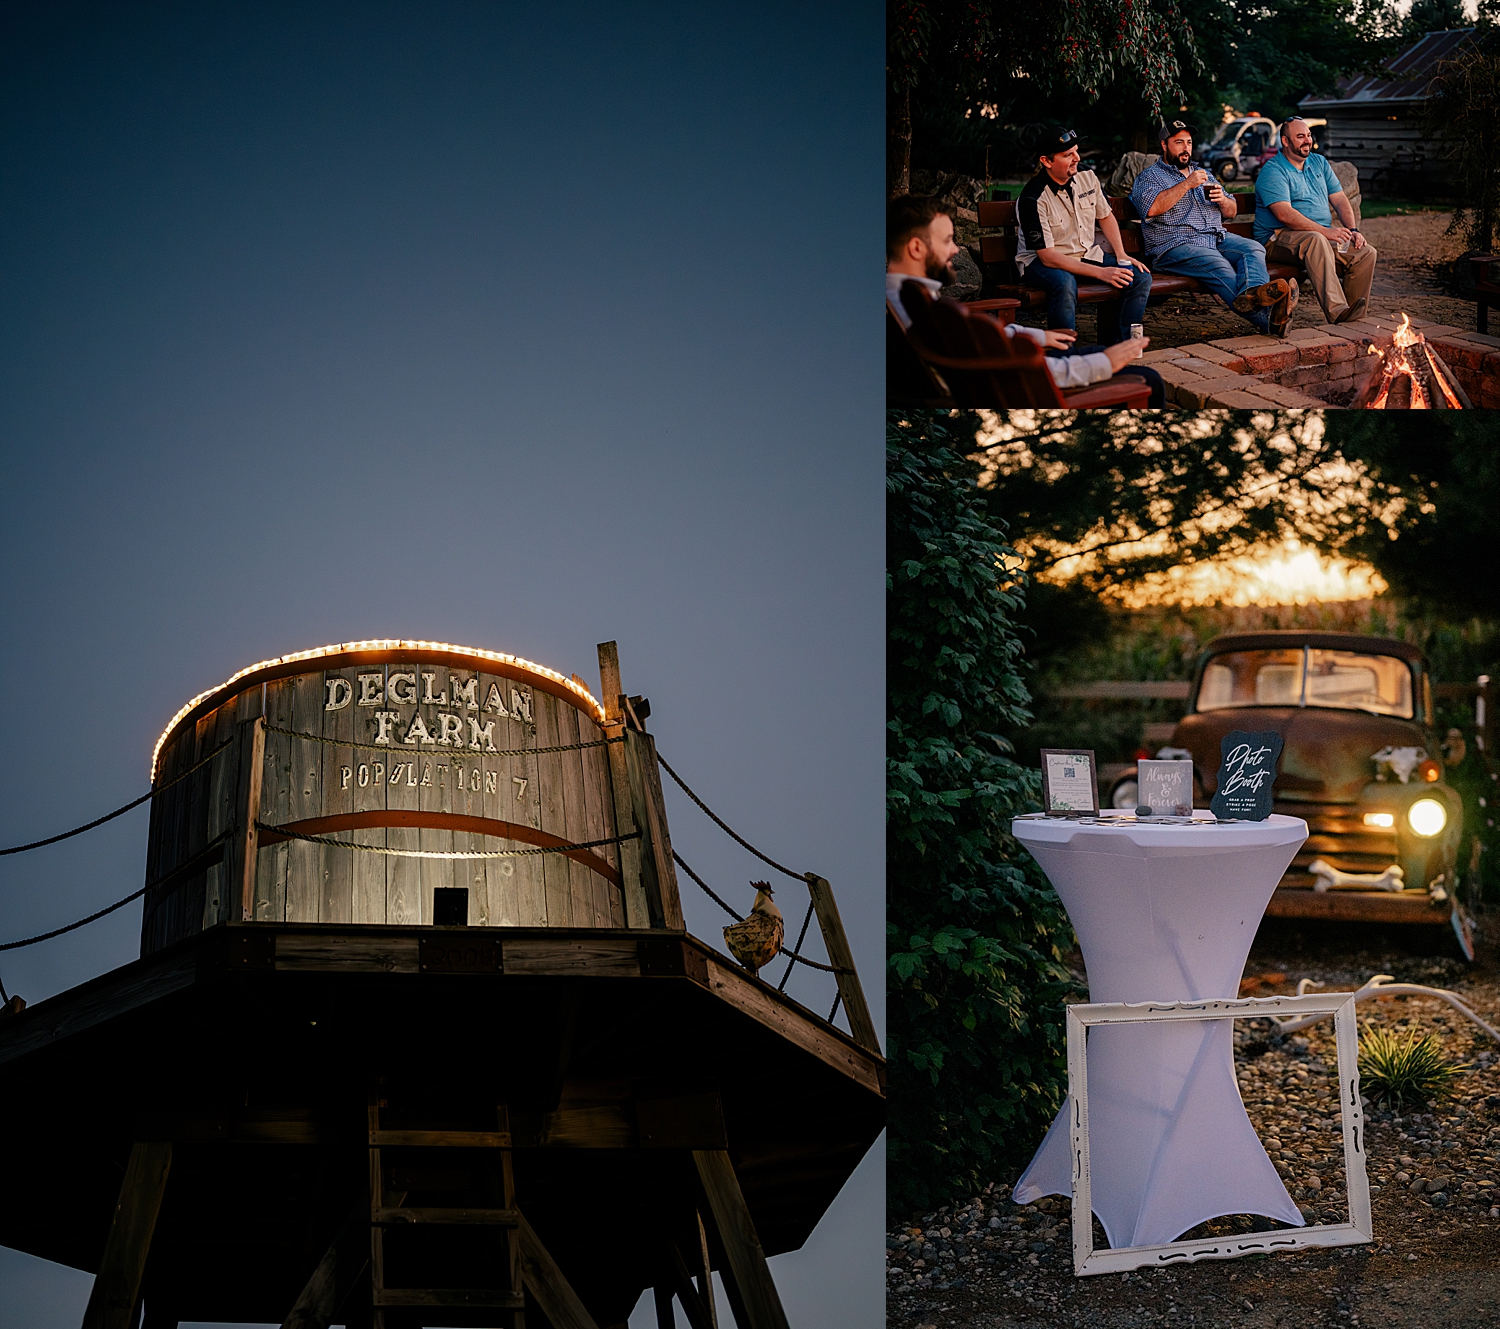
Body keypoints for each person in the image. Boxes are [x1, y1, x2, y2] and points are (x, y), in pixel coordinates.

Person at [887, 194, 1162, 404]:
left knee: (1097, 350)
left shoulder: (906, 298)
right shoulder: (925, 310)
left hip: (1005, 371)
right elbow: (1006, 370)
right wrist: (1102, 364)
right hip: (1017, 389)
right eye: (947, 240)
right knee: (1148, 378)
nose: (955, 249)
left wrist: (1039, 336)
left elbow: (973, 338)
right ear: (916, 248)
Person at [1130, 120, 1298, 338]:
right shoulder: (1150, 177)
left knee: (1253, 248)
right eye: (1179, 142)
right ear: (1164, 145)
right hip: (1174, 245)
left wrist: (1223, 201)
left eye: (1189, 142)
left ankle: (1256, 296)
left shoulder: (1204, 173)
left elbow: (1232, 210)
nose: (1185, 148)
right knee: (1219, 264)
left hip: (1214, 238)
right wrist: (1187, 184)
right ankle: (1270, 319)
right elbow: (1151, 208)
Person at [1015, 129, 1152, 344]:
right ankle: (1064, 352)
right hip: (1042, 263)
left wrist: (1121, 255)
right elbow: (1048, 257)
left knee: (1139, 277)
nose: (1077, 158)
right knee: (1065, 283)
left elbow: (1105, 215)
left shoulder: (1087, 175)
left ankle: (1122, 346)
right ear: (1046, 161)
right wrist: (1102, 273)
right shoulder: (1033, 198)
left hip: (1086, 254)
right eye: (1068, 155)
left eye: (1076, 151)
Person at [1254, 117, 1377, 325]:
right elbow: (1284, 214)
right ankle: (1338, 311)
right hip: (1277, 239)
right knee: (1315, 240)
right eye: (1300, 136)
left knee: (1364, 253)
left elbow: (1340, 199)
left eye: (1309, 135)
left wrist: (1353, 229)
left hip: (1316, 237)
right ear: (1285, 141)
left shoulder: (1319, 163)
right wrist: (1325, 231)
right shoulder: (1273, 171)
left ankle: (1353, 320)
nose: (1307, 140)